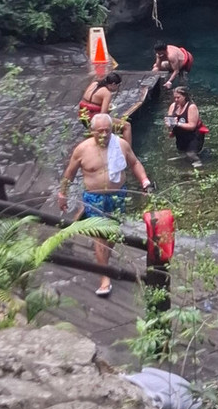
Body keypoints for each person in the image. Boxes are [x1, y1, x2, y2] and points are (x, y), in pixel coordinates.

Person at [56, 113, 153, 296]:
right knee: (101, 235)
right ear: (92, 131)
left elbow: (134, 163)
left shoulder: (120, 144)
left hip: (118, 195)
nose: (104, 135)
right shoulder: (82, 150)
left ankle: (104, 261)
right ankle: (104, 277)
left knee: (113, 233)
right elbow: (69, 173)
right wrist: (63, 194)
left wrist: (145, 181)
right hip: (94, 198)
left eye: (107, 131)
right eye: (100, 131)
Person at [78, 73, 132, 145]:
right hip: (94, 119)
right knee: (127, 126)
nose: (117, 88)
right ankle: (127, 149)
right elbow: (103, 115)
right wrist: (109, 110)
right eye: (118, 85)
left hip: (83, 117)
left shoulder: (94, 84)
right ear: (113, 84)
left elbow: (91, 101)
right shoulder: (107, 93)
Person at [166, 86, 207, 167]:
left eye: (178, 97)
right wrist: (169, 125)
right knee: (181, 150)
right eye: (175, 97)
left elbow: (192, 126)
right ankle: (185, 159)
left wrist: (178, 124)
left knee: (191, 154)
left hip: (193, 135)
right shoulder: (173, 106)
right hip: (180, 135)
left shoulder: (191, 107)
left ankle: (199, 163)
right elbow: (170, 123)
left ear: (184, 96)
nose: (176, 100)